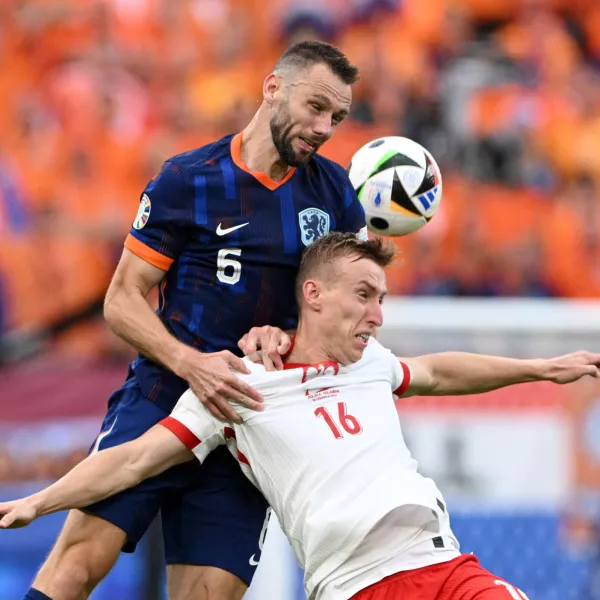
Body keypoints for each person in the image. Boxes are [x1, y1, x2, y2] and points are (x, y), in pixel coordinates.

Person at [4, 232, 599, 600]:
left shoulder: (373, 365)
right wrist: (39, 501)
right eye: (364, 295)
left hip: (445, 566)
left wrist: (543, 369)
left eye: (382, 299)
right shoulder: (240, 384)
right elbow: (132, 460)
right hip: (356, 586)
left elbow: (442, 371)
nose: (378, 316)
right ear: (313, 294)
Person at [21, 41, 367, 600]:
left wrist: (294, 338)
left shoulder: (334, 195)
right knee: (77, 567)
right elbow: (123, 300)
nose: (325, 126)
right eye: (316, 106)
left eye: (338, 117)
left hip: (245, 424)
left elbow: (353, 315)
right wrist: (192, 363)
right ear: (273, 87)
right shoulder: (189, 179)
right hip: (160, 399)